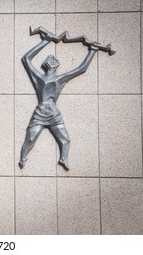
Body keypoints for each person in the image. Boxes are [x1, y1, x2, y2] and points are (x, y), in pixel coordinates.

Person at [19, 31, 98, 170]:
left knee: (65, 139)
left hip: (54, 114)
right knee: (30, 138)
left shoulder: (61, 79)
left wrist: (92, 51)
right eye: (51, 58)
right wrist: (45, 41)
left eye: (54, 59)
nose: (54, 59)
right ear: (47, 64)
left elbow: (81, 69)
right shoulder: (38, 77)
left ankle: (63, 159)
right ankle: (23, 157)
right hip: (40, 113)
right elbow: (26, 59)